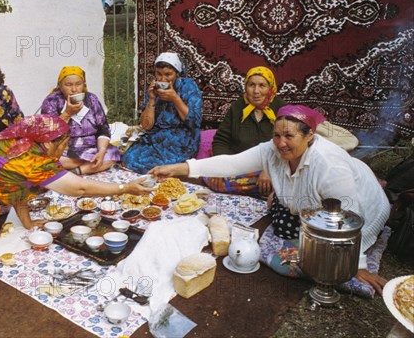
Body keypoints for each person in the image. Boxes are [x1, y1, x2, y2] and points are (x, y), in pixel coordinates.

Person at [149, 105, 390, 295]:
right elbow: (231, 164)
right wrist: (178, 169)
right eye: (276, 135)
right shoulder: (272, 150)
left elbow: (350, 213)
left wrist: (356, 265)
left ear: (309, 136)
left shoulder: (328, 165)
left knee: (305, 260)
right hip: (313, 208)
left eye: (289, 136)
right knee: (283, 217)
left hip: (361, 213)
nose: (281, 143)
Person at [0, 114, 153, 233]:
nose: (65, 148)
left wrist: (28, 222)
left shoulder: (21, 142)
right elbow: (80, 188)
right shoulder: (31, 160)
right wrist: (125, 188)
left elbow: (16, 187)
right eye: (64, 143)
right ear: (50, 142)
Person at [206, 66, 286, 198]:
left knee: (280, 185)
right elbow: (221, 140)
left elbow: (287, 145)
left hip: (273, 165)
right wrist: (219, 167)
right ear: (245, 87)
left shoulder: (282, 109)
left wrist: (269, 169)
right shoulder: (237, 108)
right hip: (242, 165)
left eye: (262, 85)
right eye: (251, 85)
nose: (256, 91)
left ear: (270, 88)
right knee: (213, 177)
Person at [122, 52, 203, 174]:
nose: (162, 79)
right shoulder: (154, 88)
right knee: (129, 158)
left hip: (181, 137)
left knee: (168, 164)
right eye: (158, 74)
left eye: (168, 74)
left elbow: (193, 122)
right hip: (156, 137)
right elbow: (146, 125)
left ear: (177, 73)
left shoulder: (188, 87)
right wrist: (152, 99)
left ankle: (170, 170)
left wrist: (175, 98)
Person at [40, 66, 120, 175]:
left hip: (90, 148)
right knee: (46, 157)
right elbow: (48, 134)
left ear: (84, 84)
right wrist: (67, 113)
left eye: (78, 84)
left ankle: (76, 171)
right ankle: (87, 166)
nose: (74, 89)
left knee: (112, 153)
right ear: (60, 86)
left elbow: (103, 130)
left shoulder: (92, 99)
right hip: (64, 150)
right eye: (68, 85)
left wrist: (101, 152)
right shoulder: (51, 102)